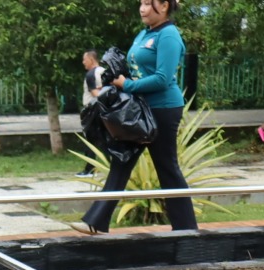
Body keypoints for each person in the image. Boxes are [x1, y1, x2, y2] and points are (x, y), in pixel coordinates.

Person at [72, 0, 196, 236]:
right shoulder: (144, 33)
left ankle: (187, 229)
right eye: (141, 3)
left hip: (163, 109)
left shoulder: (169, 35)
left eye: (149, 3)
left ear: (165, 5)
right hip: (138, 109)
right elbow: (137, 67)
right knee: (121, 159)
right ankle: (96, 222)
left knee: (167, 166)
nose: (142, 8)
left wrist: (127, 84)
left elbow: (162, 78)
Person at [78, 50, 108, 175]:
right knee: (104, 138)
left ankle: (89, 169)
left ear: (91, 59)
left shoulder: (91, 74)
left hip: (92, 110)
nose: (83, 62)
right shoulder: (104, 72)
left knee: (90, 140)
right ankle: (109, 166)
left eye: (85, 59)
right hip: (104, 109)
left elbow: (95, 94)